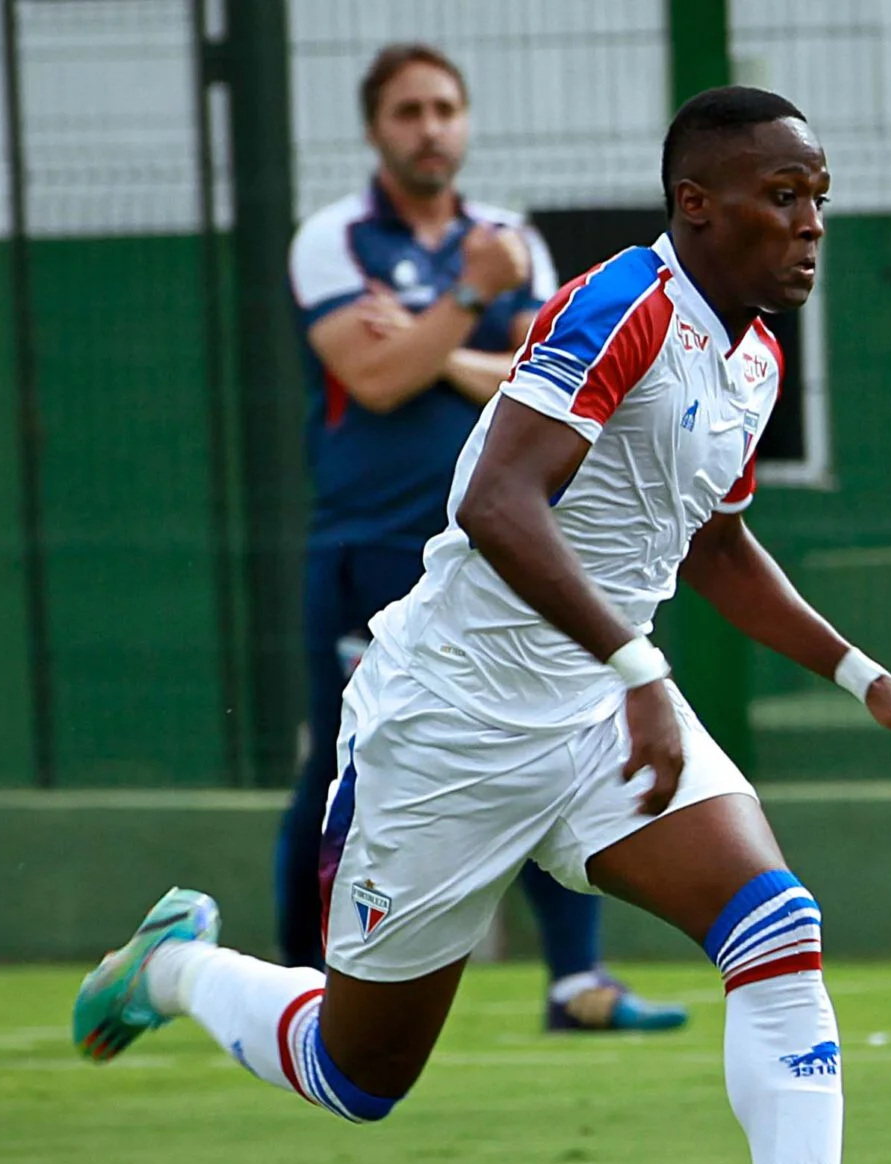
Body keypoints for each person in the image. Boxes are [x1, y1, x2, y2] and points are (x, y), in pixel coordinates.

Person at [76, 87, 891, 1164]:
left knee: (774, 924)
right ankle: (174, 970)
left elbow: (717, 543)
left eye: (820, 200)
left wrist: (863, 676)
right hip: (453, 722)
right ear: (698, 205)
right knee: (359, 1072)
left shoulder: (753, 359)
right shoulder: (624, 302)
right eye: (781, 198)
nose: (809, 227)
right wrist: (632, 661)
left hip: (604, 714)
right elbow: (491, 494)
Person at [285, 43, 681, 1032]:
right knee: (345, 764)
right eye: (410, 111)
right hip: (369, 545)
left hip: (499, 550)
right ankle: (306, 977)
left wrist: (428, 342)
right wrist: (467, 302)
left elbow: (533, 381)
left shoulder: (514, 241)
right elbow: (373, 381)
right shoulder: (333, 239)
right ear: (376, 127)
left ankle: (575, 982)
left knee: (550, 741)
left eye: (446, 109)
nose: (432, 128)